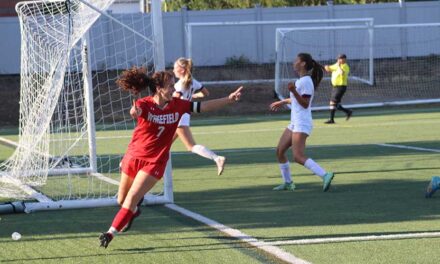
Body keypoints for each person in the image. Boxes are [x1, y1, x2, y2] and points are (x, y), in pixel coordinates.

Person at [99, 67, 243, 248]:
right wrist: (134, 112)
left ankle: (110, 233)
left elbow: (204, 106)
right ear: (159, 89)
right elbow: (135, 111)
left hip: (155, 161)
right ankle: (133, 212)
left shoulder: (178, 104)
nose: (173, 88)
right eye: (169, 85)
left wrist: (228, 100)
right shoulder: (145, 104)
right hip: (133, 156)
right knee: (122, 200)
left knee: (131, 198)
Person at [270, 53, 334, 192]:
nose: (294, 62)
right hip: (294, 122)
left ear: (303, 64)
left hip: (302, 122)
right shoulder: (301, 81)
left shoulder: (305, 81)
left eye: (296, 60)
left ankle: (325, 174)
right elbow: (296, 99)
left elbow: (305, 103)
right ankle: (288, 183)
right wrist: (282, 101)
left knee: (298, 156)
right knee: (280, 151)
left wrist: (293, 90)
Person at [172, 57, 226, 175]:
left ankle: (217, 158)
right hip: (184, 115)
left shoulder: (179, 84)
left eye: (175, 68)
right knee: (164, 145)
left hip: (179, 117)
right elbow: (206, 93)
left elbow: (175, 99)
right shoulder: (193, 81)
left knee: (190, 146)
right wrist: (191, 97)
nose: (173, 70)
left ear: (182, 70)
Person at [323, 54, 352, 124]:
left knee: (333, 102)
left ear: (345, 59)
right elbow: (328, 68)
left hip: (341, 87)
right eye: (339, 58)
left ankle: (331, 119)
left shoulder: (345, 66)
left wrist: (338, 66)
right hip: (335, 87)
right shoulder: (336, 65)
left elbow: (341, 72)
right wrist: (326, 67)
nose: (339, 60)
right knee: (335, 104)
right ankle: (348, 112)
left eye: (341, 58)